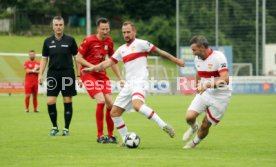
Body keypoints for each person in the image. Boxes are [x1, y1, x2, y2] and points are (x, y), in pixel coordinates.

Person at [82, 21, 185, 145]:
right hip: (129, 84)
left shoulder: (141, 44)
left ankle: (163, 125)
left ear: (134, 32)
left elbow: (159, 51)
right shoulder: (121, 50)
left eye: (128, 32)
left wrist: (176, 60)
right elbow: (107, 63)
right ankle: (126, 139)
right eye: (124, 32)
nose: (126, 34)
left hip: (140, 82)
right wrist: (92, 69)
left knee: (137, 106)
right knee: (114, 113)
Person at [76, 18, 123, 144]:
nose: (105, 31)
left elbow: (113, 61)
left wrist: (120, 78)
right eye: (103, 29)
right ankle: (100, 135)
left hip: (102, 75)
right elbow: (78, 58)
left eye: (107, 29)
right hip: (88, 74)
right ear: (98, 29)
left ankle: (110, 135)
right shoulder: (89, 40)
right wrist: (91, 67)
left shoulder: (109, 41)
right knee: (101, 100)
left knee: (110, 105)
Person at [182, 35, 232, 149]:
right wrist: (197, 84)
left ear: (202, 47)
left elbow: (225, 79)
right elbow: (199, 72)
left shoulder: (218, 57)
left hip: (221, 96)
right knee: (189, 117)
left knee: (205, 125)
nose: (193, 53)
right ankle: (194, 127)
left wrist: (206, 85)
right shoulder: (197, 59)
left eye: (194, 50)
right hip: (205, 92)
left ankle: (194, 143)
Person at [39, 16, 81, 136]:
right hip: (52, 74)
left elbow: (77, 59)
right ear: (53, 26)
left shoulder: (70, 40)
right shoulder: (47, 41)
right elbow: (44, 59)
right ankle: (54, 127)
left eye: (60, 25)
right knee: (50, 101)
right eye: (56, 25)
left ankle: (66, 128)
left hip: (67, 73)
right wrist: (40, 74)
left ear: (64, 26)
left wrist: (78, 76)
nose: (58, 27)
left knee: (67, 100)